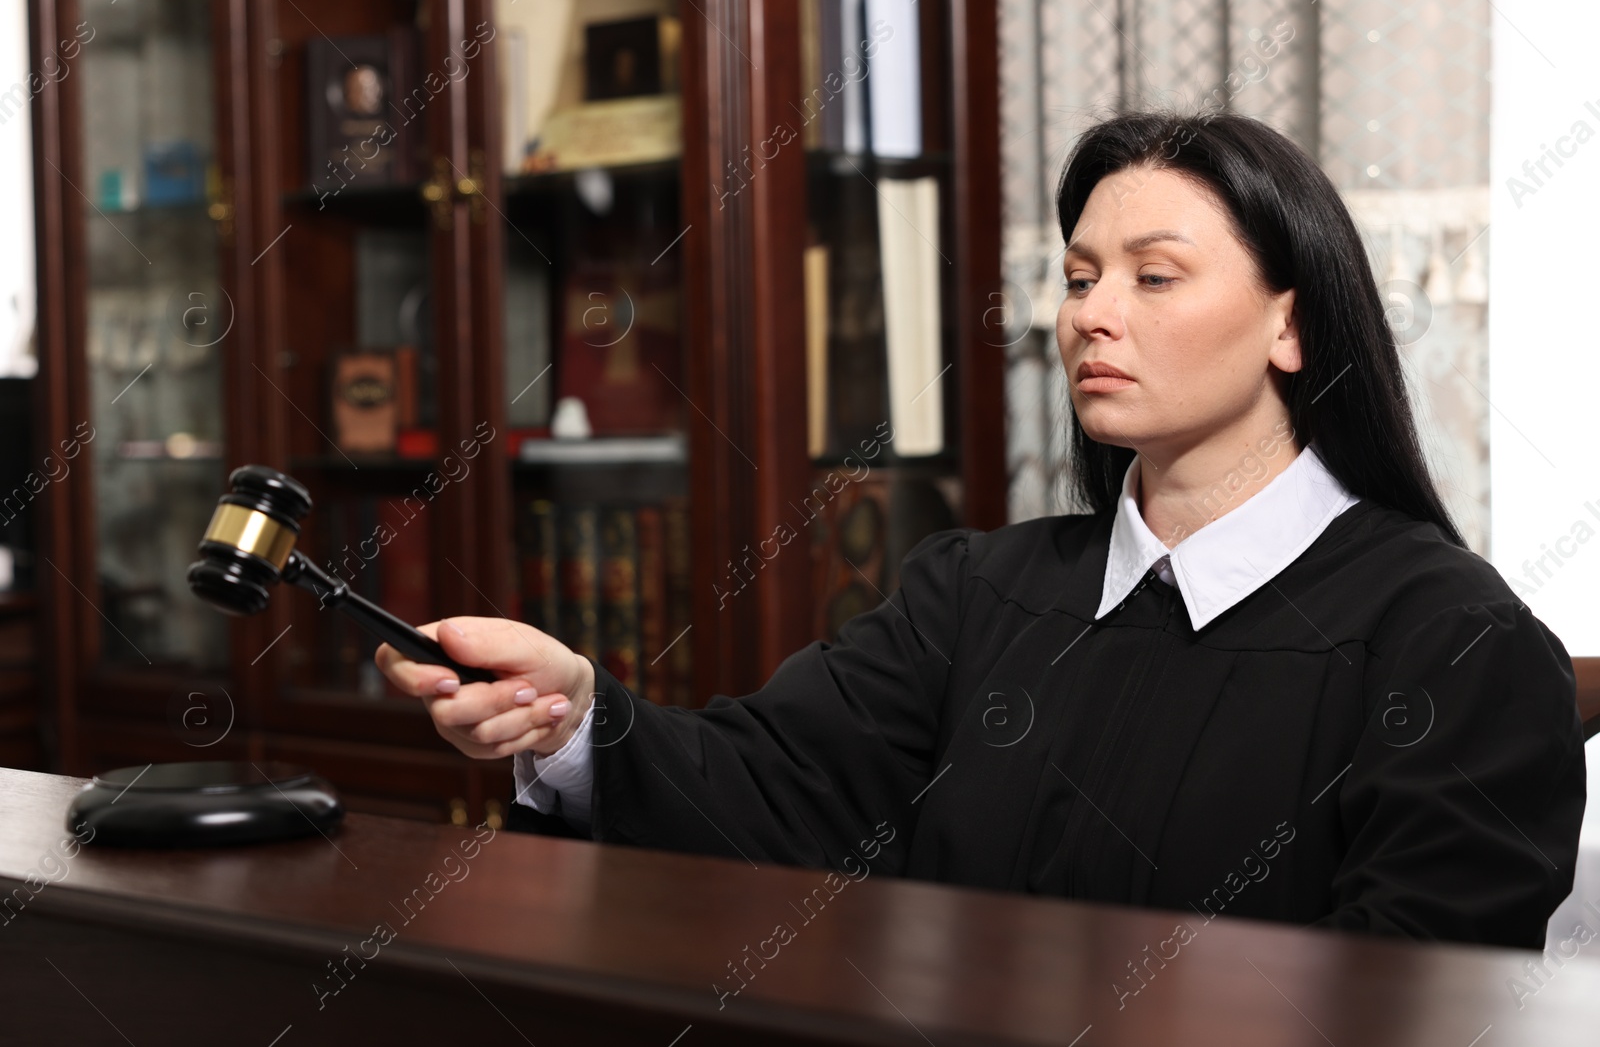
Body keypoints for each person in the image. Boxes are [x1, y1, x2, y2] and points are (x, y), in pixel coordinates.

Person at [375, 111, 1587, 951]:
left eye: (1152, 277)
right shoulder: (977, 591)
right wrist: (581, 712)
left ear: (1291, 323)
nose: (1088, 316)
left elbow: (1420, 995)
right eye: (1075, 276)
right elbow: (775, 790)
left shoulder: (1452, 641)